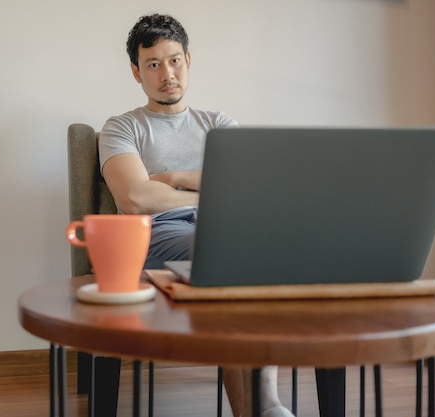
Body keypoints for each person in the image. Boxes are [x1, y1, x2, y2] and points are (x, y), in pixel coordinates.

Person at [98, 13, 294, 417]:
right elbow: (135, 198)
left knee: (261, 251)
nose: (166, 73)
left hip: (226, 230)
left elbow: (247, 189)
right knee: (232, 259)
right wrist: (211, 190)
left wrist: (170, 178)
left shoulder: (219, 124)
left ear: (188, 60)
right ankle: (266, 406)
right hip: (156, 235)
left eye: (174, 60)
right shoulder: (122, 127)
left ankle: (258, 406)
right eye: (152, 64)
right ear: (136, 72)